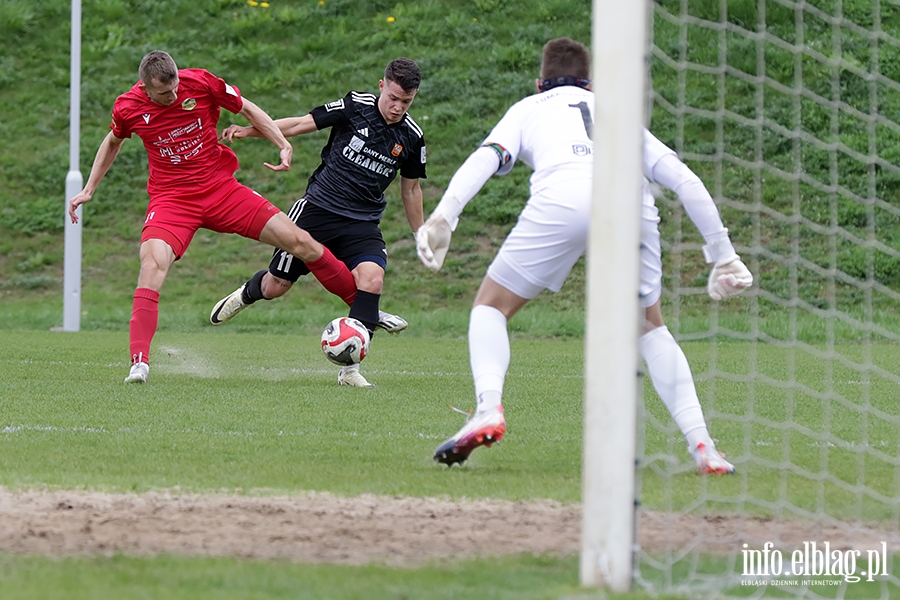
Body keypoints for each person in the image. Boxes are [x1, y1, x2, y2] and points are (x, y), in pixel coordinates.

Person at [415, 37, 753, 473]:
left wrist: (445, 216)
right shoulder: (618, 114)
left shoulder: (528, 108)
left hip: (562, 198)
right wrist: (723, 255)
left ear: (540, 82)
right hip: (630, 204)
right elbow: (684, 180)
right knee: (650, 328)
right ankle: (703, 445)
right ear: (590, 84)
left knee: (490, 307)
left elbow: (488, 157)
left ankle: (488, 409)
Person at [69, 50, 357, 384]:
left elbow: (246, 106)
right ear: (146, 89)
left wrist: (282, 143)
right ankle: (139, 363)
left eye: (175, 86)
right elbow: (112, 141)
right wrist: (89, 188)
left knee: (301, 241)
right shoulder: (129, 107)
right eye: (164, 93)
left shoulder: (201, 82)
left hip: (221, 190)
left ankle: (364, 309)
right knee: (151, 266)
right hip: (172, 201)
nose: (174, 95)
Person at [208, 58, 427, 388]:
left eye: (406, 102)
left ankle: (350, 369)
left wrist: (420, 234)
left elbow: (411, 188)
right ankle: (246, 294)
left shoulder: (412, 137)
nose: (397, 107)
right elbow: (299, 124)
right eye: (393, 98)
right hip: (317, 212)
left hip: (362, 223)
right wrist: (249, 131)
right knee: (275, 286)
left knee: (371, 280)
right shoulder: (355, 106)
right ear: (382, 86)